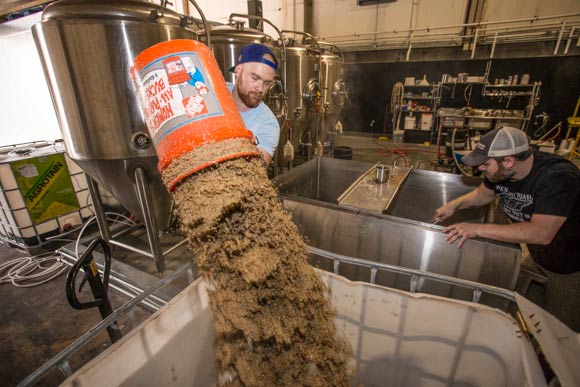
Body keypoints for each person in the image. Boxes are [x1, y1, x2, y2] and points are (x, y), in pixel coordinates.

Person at [434, 126, 580, 332]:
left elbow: (541, 233)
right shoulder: (502, 172)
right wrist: (454, 205)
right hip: (540, 256)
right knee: (529, 314)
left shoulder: (559, 178)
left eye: (485, 164)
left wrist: (476, 228)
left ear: (509, 161)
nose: (480, 170)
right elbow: (484, 195)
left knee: (559, 332)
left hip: (570, 266)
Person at [228, 43, 280, 166]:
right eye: (255, 78)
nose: (260, 89)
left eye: (266, 83)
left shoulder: (268, 123)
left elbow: (256, 172)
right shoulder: (214, 94)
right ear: (238, 71)